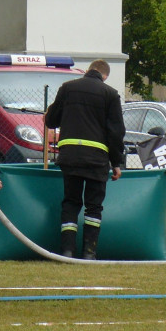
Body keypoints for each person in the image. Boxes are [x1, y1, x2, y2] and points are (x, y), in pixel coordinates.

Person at [44, 59, 124, 260]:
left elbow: (51, 120)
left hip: (70, 156)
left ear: (88, 70)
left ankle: (67, 251)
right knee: (93, 207)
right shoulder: (110, 94)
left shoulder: (67, 88)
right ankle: (89, 252)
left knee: (71, 203)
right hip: (97, 159)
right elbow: (116, 132)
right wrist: (116, 163)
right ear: (105, 76)